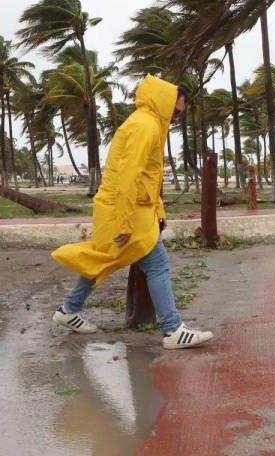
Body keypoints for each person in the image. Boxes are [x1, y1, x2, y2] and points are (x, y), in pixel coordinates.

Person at [51, 74, 214, 350]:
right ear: (165, 103)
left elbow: (149, 177)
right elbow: (128, 177)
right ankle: (173, 329)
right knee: (156, 263)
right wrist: (126, 223)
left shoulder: (147, 123)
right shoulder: (146, 127)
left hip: (127, 208)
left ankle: (68, 311)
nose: (176, 119)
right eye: (176, 112)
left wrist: (159, 212)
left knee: (103, 259)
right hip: (124, 211)